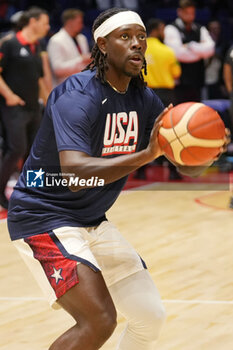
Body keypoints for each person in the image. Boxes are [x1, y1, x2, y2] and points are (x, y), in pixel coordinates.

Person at [7, 7, 229, 350]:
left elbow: (181, 163)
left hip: (92, 219)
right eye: (125, 37)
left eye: (141, 37)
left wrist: (205, 151)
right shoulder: (77, 95)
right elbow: (76, 174)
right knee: (98, 321)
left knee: (149, 316)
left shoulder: (143, 98)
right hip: (44, 215)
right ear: (102, 45)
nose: (137, 44)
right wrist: (147, 154)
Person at [0, 7, 50, 210]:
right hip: (14, 108)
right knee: (16, 149)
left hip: (33, 108)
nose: (48, 27)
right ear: (33, 22)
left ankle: (33, 193)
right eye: (45, 22)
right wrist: (9, 95)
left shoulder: (36, 46)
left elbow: (38, 79)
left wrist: (49, 101)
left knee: (35, 153)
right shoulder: (9, 43)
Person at [135, 18, 182, 180]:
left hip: (143, 92)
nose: (164, 32)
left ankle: (141, 171)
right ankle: (173, 171)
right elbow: (176, 73)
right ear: (157, 30)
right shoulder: (168, 51)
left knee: (143, 131)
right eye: (163, 29)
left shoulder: (138, 49)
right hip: (165, 94)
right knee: (169, 132)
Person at [164, 0, 215, 104]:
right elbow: (178, 54)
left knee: (196, 115)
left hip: (197, 81)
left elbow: (210, 49)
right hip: (179, 84)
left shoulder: (200, 28)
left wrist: (190, 46)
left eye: (192, 13)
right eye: (187, 13)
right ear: (179, 12)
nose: (190, 16)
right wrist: (200, 52)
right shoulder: (171, 28)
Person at [47, 8, 91, 87]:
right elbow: (57, 70)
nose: (82, 25)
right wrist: (81, 59)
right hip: (65, 87)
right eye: (79, 22)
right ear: (70, 22)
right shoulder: (56, 40)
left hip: (83, 84)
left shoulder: (82, 38)